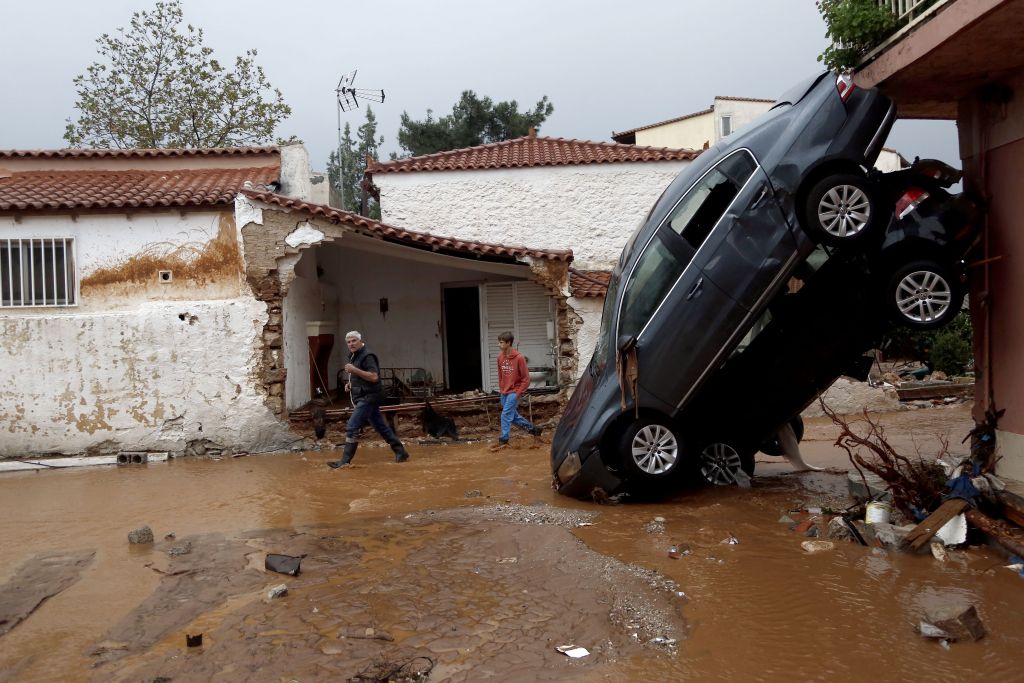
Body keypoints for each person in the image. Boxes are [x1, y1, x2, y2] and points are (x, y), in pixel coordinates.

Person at [327, 331, 410, 468]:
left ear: (360, 341)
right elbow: (361, 378)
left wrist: (354, 370)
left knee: (352, 426)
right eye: (348, 342)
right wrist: (351, 385)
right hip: (363, 396)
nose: (351, 344)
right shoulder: (355, 356)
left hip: (369, 397)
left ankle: (344, 462)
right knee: (381, 426)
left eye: (354, 341)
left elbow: (373, 377)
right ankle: (401, 451)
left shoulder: (368, 356)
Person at [493, 331, 542, 449]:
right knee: (513, 416)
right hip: (504, 391)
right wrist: (501, 388)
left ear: (508, 343)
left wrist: (517, 394)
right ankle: (534, 429)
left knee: (505, 415)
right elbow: (500, 375)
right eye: (498, 342)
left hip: (514, 392)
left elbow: (526, 379)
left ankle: (503, 439)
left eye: (501, 342)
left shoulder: (519, 358)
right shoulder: (500, 357)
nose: (498, 345)